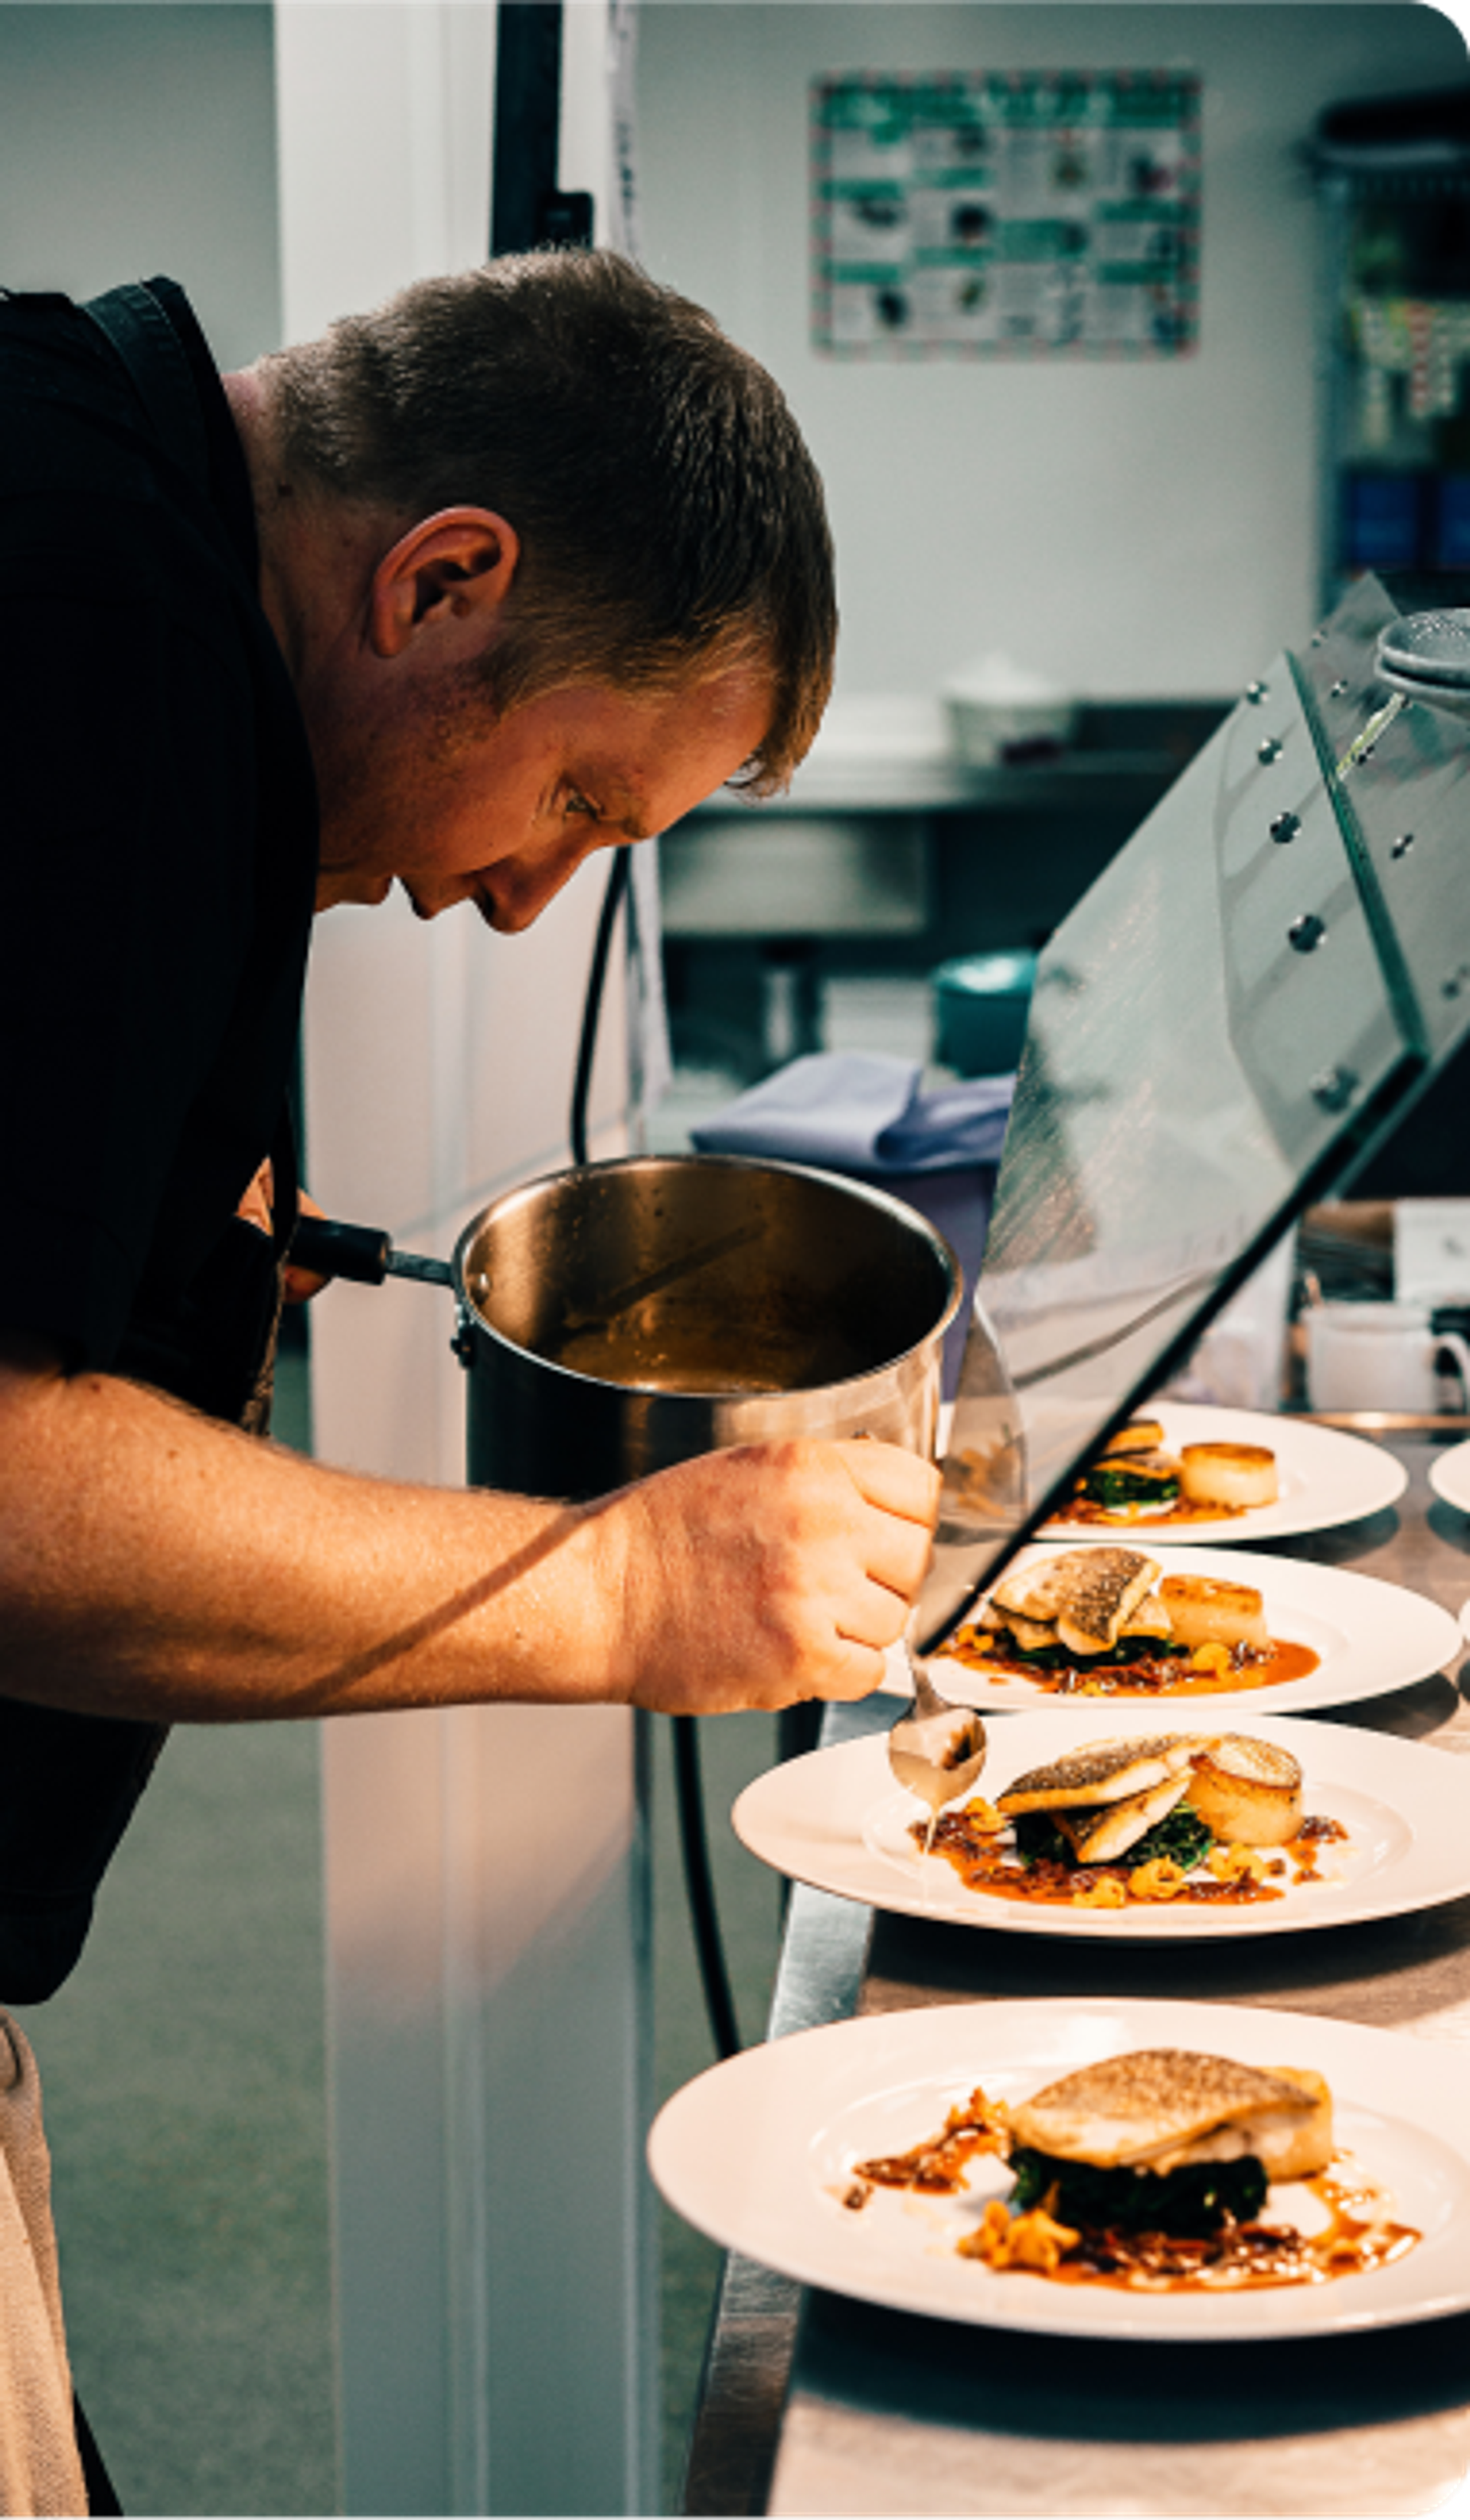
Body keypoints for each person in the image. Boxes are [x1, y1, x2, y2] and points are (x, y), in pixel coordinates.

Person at [0, 253, 938, 2513]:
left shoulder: (90, 486)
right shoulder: (88, 616)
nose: (528, 899)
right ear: (442, 581)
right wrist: (618, 1595)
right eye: (586, 796)